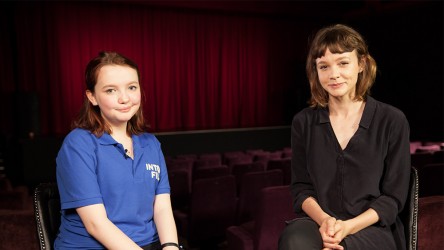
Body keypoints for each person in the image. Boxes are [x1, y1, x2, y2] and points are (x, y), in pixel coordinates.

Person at [278, 24, 411, 250]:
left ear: (361, 64)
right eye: (324, 66)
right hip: (321, 222)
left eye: (343, 63)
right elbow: (301, 189)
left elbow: (393, 199)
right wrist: (326, 221)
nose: (334, 74)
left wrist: (347, 228)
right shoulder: (303, 122)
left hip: (372, 227)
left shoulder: (392, 120)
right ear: (315, 71)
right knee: (294, 240)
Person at [55, 51, 181, 250]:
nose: (125, 98)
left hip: (147, 244)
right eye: (111, 90)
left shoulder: (151, 143)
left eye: (132, 87)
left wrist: (171, 246)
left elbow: (162, 207)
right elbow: (96, 225)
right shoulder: (78, 144)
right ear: (92, 97)